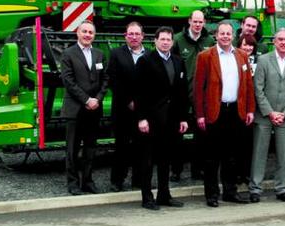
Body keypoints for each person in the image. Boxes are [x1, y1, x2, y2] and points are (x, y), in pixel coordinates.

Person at [194, 22, 255, 207]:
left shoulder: (242, 56)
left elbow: (248, 86)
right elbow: (198, 88)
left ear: (233, 36)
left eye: (229, 33)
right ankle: (212, 194)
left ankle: (230, 192)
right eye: (222, 33)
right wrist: (200, 114)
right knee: (212, 157)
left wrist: (250, 109)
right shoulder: (205, 56)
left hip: (236, 111)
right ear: (216, 35)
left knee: (232, 156)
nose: (226, 36)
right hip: (215, 111)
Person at [135, 27, 189, 210]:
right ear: (155, 41)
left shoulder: (178, 62)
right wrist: (141, 118)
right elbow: (139, 93)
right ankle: (147, 197)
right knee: (148, 161)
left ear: (172, 42)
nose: (165, 42)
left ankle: (164, 195)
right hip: (151, 120)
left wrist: (183, 118)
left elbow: (182, 92)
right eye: (162, 39)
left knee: (166, 159)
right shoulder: (145, 61)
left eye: (168, 39)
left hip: (172, 119)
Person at [250, 29, 285, 203]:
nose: (283, 42)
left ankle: (281, 188)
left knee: (283, 154)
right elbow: (258, 89)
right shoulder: (264, 60)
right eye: (280, 39)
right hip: (264, 115)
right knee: (259, 153)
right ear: (274, 41)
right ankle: (255, 188)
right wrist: (270, 112)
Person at [59, 21, 109, 195]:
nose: (88, 35)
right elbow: (68, 81)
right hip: (75, 109)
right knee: (72, 149)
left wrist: (98, 99)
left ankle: (88, 181)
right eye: (84, 31)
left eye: (91, 32)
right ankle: (73, 183)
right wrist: (87, 100)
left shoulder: (99, 54)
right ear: (77, 33)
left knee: (90, 148)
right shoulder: (68, 54)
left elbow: (105, 80)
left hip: (94, 110)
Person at [171, 10, 214, 181]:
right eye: (195, 21)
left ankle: (198, 170)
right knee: (177, 136)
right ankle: (176, 170)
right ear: (189, 21)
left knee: (201, 136)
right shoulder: (177, 40)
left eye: (200, 22)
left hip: (202, 97)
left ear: (204, 23)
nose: (197, 25)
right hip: (182, 95)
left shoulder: (209, 41)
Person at [107, 22, 145, 192]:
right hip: (123, 109)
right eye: (131, 34)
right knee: (121, 147)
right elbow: (114, 80)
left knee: (141, 147)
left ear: (143, 36)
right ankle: (117, 181)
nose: (134, 37)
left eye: (137, 34)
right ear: (125, 36)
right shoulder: (116, 54)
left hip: (143, 110)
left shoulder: (149, 55)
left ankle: (138, 181)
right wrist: (129, 101)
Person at [236, 34, 258, 185]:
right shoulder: (234, 59)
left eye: (251, 45)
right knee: (237, 142)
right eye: (245, 44)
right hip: (238, 106)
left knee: (249, 143)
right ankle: (237, 174)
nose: (248, 48)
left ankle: (246, 173)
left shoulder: (258, 61)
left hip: (254, 107)